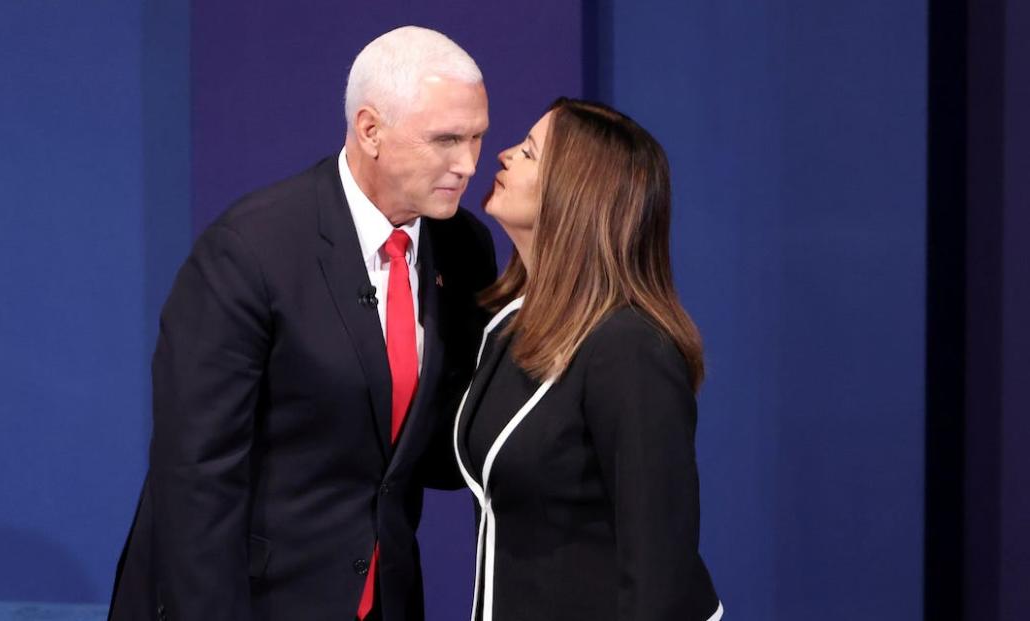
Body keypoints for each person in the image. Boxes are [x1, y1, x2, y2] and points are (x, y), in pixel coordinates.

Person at [108, 26, 496, 621]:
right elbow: (196, 475)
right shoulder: (252, 249)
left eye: (476, 138)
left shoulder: (463, 247)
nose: (467, 164)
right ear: (370, 130)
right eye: (446, 140)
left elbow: (443, 448)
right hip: (252, 598)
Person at [453, 98, 722, 621]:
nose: (504, 156)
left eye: (529, 152)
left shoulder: (629, 348)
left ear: (575, 195)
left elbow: (659, 572)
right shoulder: (511, 325)